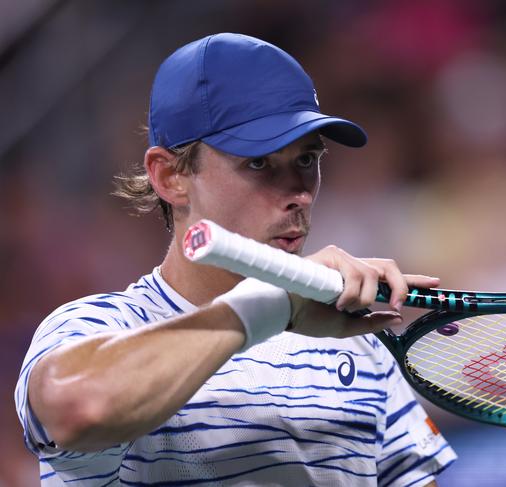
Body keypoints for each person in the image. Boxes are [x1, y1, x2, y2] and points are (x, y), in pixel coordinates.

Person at [15, 33, 456, 486]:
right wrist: (271, 306)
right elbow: (78, 409)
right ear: (170, 177)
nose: (299, 193)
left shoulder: (361, 345)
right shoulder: (97, 327)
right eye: (260, 164)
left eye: (307, 160)